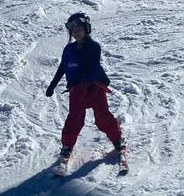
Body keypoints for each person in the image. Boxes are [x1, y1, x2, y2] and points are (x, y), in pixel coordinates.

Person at [45, 11, 125, 159]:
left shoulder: (93, 46)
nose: (76, 32)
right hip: (77, 89)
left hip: (94, 87)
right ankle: (67, 146)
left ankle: (117, 139)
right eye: (73, 30)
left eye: (79, 29)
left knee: (102, 117)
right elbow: (63, 67)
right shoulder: (69, 49)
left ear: (86, 29)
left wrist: (81, 60)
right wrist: (52, 85)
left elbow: (91, 66)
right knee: (75, 118)